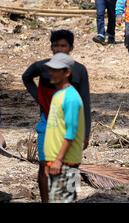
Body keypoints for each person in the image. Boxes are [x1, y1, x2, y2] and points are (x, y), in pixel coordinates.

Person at [22, 30, 91, 203]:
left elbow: (85, 102)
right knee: (44, 167)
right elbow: (26, 77)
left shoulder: (78, 73)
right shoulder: (42, 67)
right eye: (56, 45)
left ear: (71, 48)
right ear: (51, 47)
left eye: (63, 45)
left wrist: (86, 133)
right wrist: (39, 98)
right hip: (48, 122)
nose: (60, 48)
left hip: (68, 124)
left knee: (68, 170)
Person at [43, 53, 85, 203]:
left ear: (66, 72)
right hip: (57, 163)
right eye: (51, 69)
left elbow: (71, 132)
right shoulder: (58, 95)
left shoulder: (71, 98)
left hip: (65, 164)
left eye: (56, 70)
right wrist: (51, 161)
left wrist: (58, 160)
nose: (51, 73)